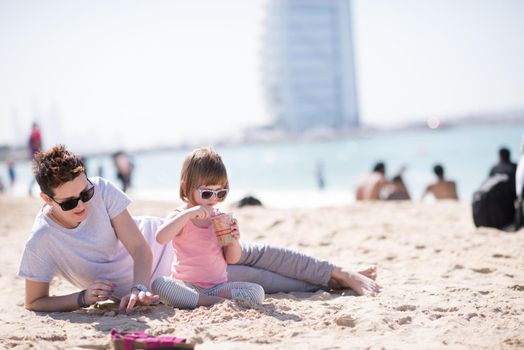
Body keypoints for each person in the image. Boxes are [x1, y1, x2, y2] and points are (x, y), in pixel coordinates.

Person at [18, 145, 380, 313]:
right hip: (181, 280)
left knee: (260, 253)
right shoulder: (42, 242)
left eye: (86, 193)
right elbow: (34, 302)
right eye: (69, 202)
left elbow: (141, 248)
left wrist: (140, 285)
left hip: (181, 249)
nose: (82, 204)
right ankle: (332, 280)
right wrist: (81, 299)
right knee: (266, 280)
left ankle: (339, 273)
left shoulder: (103, 191)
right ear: (46, 199)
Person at [152, 147, 265, 308]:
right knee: (160, 284)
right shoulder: (181, 216)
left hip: (218, 288)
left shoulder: (219, 217)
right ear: (185, 187)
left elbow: (232, 259)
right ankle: (211, 302)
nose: (213, 198)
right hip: (187, 286)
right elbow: (160, 237)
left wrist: (234, 240)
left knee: (257, 291)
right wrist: (188, 215)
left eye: (220, 193)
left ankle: (207, 300)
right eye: (206, 193)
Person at [27, 122, 42, 196]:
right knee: (38, 174)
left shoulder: (31, 136)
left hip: (33, 157)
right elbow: (37, 145)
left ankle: (30, 189)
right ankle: (30, 189)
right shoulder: (35, 135)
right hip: (35, 157)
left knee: (37, 174)